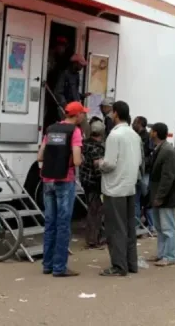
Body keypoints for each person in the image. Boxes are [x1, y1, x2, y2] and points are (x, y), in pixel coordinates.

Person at [36, 101, 86, 277]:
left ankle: (47, 265)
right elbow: (77, 160)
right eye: (83, 113)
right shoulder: (75, 131)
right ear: (77, 115)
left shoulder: (51, 129)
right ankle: (59, 267)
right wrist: (79, 158)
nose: (84, 116)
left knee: (50, 223)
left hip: (47, 180)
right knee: (63, 224)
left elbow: (40, 156)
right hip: (64, 180)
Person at [98, 101, 143, 277]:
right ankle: (131, 263)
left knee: (115, 228)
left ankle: (118, 266)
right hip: (129, 186)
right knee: (129, 227)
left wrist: (99, 163)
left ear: (116, 113)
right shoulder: (135, 135)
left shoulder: (114, 135)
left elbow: (109, 163)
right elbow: (139, 161)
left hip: (114, 188)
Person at [148, 122, 175, 266]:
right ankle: (162, 254)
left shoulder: (168, 151)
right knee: (160, 228)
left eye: (151, 131)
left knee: (167, 228)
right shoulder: (160, 149)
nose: (150, 133)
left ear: (155, 133)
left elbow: (168, 177)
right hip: (158, 196)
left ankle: (170, 256)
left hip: (165, 197)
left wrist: (160, 196)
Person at [80, 120, 107, 249]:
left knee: (91, 209)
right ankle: (93, 240)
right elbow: (98, 168)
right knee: (95, 212)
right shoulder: (97, 148)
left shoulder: (85, 144)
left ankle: (92, 238)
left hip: (85, 181)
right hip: (95, 183)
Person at [132, 116, 155, 236]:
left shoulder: (143, 137)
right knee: (143, 199)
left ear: (140, 123)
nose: (133, 124)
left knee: (142, 199)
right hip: (143, 171)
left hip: (143, 171)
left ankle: (145, 225)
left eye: (135, 122)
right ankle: (148, 225)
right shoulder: (143, 136)